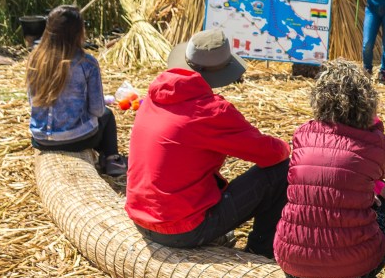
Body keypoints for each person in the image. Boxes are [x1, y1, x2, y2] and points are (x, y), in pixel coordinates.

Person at [124, 29, 290, 257]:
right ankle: (260, 251)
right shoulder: (211, 111)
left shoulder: (155, 95)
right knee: (281, 171)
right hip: (181, 229)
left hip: (140, 217)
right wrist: (287, 144)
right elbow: (271, 154)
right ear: (222, 71)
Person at [274, 60, 385, 278]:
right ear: (367, 102)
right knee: (384, 192)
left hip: (291, 260)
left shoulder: (302, 134)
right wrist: (375, 129)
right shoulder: (374, 144)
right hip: (356, 267)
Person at [27, 5, 127, 176]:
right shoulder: (86, 62)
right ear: (78, 32)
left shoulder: (35, 59)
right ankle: (112, 160)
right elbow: (96, 109)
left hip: (41, 139)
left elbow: (32, 102)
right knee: (107, 116)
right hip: (74, 139)